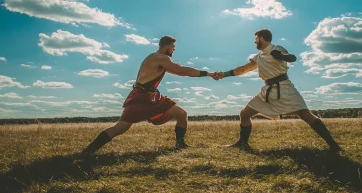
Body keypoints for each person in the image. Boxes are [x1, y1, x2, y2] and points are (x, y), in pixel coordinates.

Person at [212, 29, 341, 152]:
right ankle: (243, 143)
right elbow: (242, 69)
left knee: (305, 115)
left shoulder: (276, 49)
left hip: (284, 87)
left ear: (261, 38)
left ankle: (333, 145)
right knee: (245, 114)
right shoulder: (259, 57)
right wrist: (224, 74)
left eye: (256, 39)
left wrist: (280, 56)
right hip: (267, 90)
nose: (254, 42)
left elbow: (292, 58)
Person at [81, 35, 213, 156]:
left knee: (182, 114)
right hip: (141, 96)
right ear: (166, 46)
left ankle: (180, 144)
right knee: (120, 128)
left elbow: (179, 71)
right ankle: (89, 150)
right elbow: (183, 70)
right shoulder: (160, 58)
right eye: (173, 47)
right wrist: (209, 74)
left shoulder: (155, 58)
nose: (174, 50)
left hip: (150, 95)